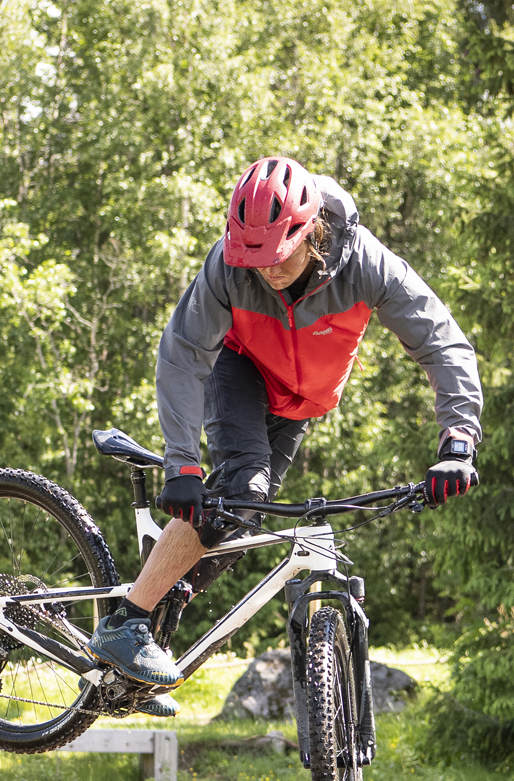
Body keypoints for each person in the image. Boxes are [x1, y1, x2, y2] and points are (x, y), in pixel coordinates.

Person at [86, 155, 484, 713]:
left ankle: (147, 644)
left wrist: (457, 441)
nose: (265, 270)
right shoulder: (229, 267)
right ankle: (126, 623)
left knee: (245, 518)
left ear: (311, 230)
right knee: (243, 488)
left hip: (299, 401)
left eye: (276, 256)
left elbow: (441, 342)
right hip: (239, 368)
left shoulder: (366, 263)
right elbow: (182, 356)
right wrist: (182, 464)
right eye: (252, 257)